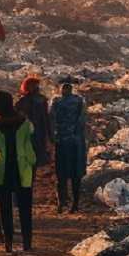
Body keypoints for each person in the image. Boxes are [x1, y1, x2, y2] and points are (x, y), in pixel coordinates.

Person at [0, 90, 36, 253]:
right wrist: (32, 161)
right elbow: (29, 145)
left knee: (5, 209)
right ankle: (27, 243)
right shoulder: (24, 123)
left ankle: (8, 243)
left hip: (2, 170)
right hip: (22, 170)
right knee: (25, 209)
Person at [51, 81, 88, 213]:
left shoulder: (56, 101)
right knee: (74, 175)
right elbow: (82, 121)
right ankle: (73, 203)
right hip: (75, 143)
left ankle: (62, 202)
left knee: (61, 174)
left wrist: (52, 137)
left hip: (62, 141)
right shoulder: (79, 101)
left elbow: (51, 120)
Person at [16, 76, 51, 180]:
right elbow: (46, 119)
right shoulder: (40, 100)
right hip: (36, 134)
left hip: (30, 134)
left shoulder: (23, 101)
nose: (37, 88)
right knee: (33, 159)